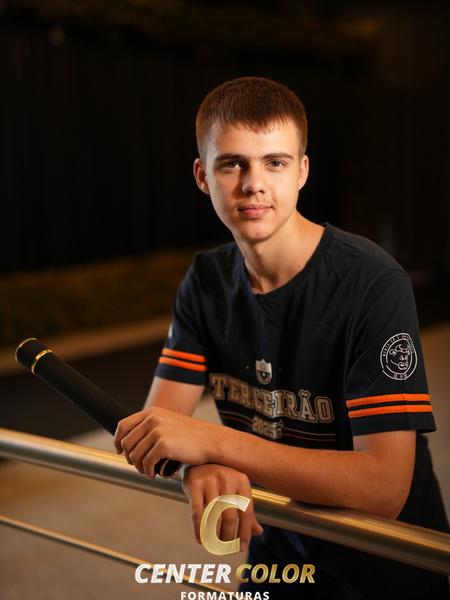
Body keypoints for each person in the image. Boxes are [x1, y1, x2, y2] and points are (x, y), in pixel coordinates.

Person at [114, 77, 450, 598]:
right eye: (232, 164)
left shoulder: (373, 283)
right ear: (203, 176)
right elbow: (163, 426)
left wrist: (216, 444)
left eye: (274, 162)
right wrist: (196, 466)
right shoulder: (205, 281)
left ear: (302, 172)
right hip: (279, 547)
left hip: (385, 561)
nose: (254, 184)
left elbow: (383, 487)